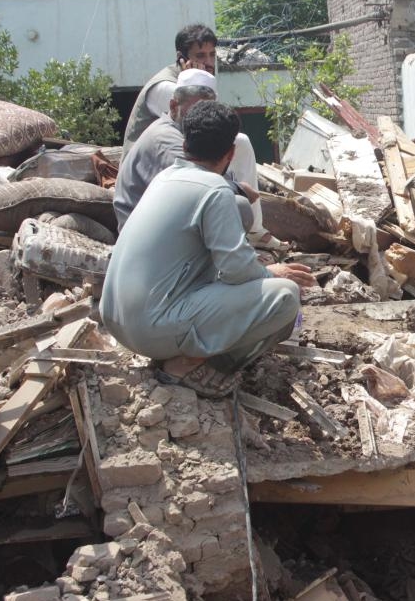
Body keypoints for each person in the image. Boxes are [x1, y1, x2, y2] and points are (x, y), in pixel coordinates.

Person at [100, 101, 317, 398]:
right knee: (285, 296)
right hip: (148, 330)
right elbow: (238, 270)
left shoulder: (165, 178)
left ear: (186, 143)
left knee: (239, 210)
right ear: (231, 153)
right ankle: (190, 367)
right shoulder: (214, 191)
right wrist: (270, 271)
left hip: (115, 319)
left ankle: (180, 348)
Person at [114, 69, 283, 249]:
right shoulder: (166, 139)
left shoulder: (184, 135)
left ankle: (253, 234)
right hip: (144, 234)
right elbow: (197, 185)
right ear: (173, 106)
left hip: (161, 225)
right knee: (237, 205)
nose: (199, 119)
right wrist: (237, 188)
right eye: (193, 112)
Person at [123, 24, 217, 154]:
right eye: (200, 56)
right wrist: (196, 80)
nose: (209, 62)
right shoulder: (165, 86)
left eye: (212, 54)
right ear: (181, 57)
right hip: (148, 167)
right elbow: (206, 126)